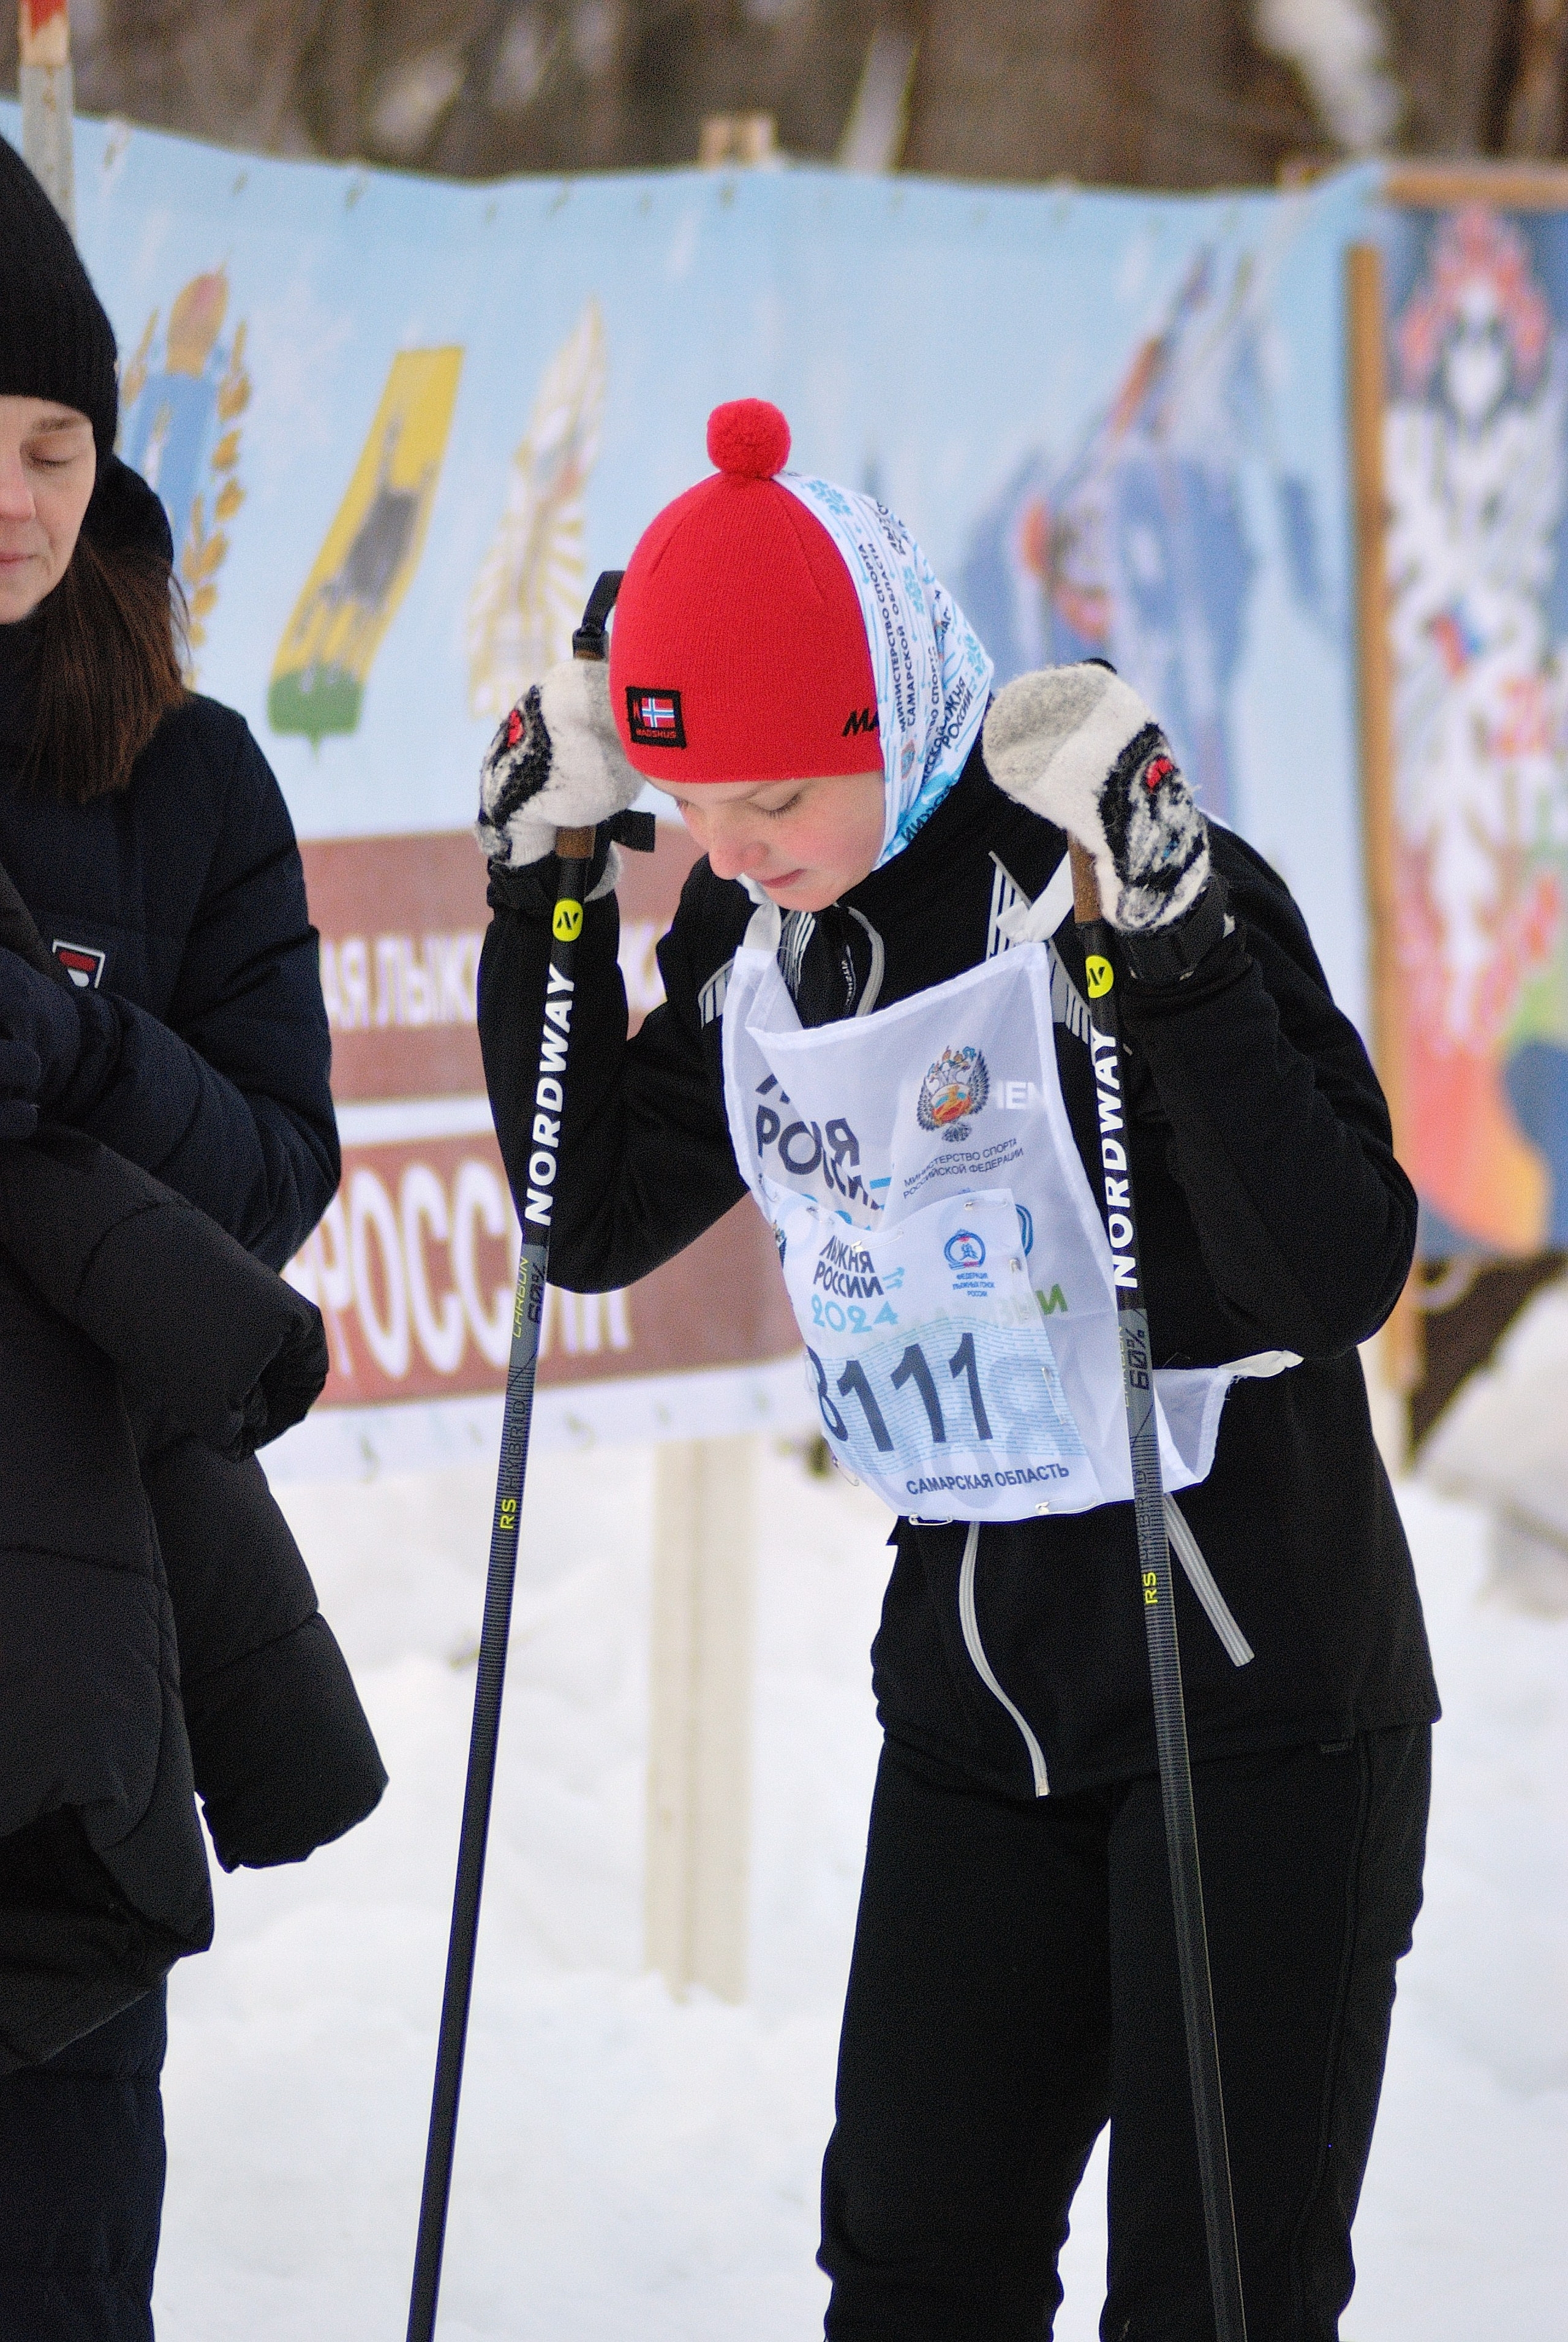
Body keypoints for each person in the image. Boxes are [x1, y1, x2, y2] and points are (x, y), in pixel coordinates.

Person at [476, 396, 1438, 2341]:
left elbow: (1330, 1267)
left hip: (1242, 1695)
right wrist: (548, 900)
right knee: (916, 2273)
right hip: (979, 1710)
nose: (746, 857)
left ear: (883, 719)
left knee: (1215, 2302)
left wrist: (1172, 956)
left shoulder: (1089, 859)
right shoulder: (769, 936)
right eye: (707, 815)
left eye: (780, 805)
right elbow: (587, 1209)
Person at [0, 136, 385, 2338]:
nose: (24, 497)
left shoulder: (192, 775)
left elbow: (276, 1163)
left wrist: (73, 1049)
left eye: (57, 444)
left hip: (81, 1657)